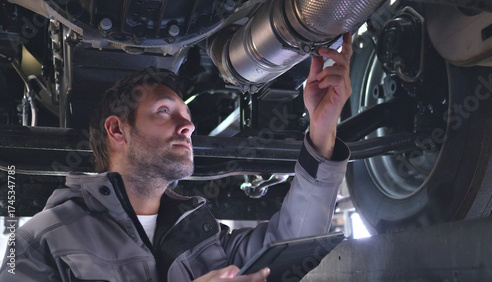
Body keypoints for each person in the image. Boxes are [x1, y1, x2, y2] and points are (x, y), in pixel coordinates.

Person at [0, 33, 352, 281]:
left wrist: (322, 130)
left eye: (186, 114)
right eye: (165, 111)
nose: (188, 125)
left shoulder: (203, 237)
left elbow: (290, 246)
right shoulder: (42, 240)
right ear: (117, 130)